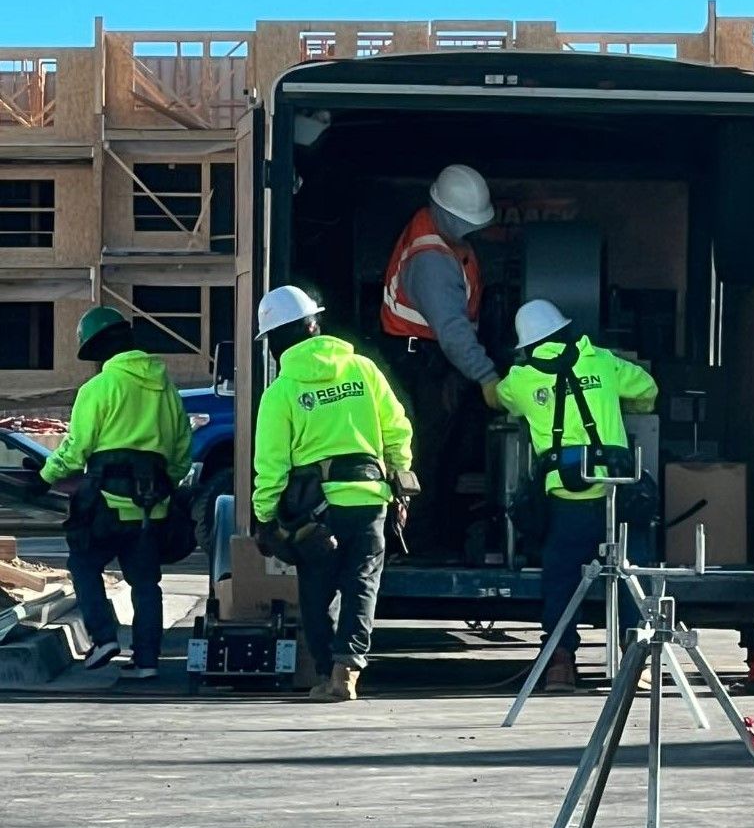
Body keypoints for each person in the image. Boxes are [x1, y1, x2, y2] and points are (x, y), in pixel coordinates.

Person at [253, 285, 413, 702]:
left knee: (316, 590)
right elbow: (397, 428)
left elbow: (271, 466)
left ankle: (328, 672)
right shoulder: (363, 370)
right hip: (369, 497)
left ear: (274, 340)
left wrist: (266, 517)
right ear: (314, 324)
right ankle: (348, 670)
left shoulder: (281, 392)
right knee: (362, 584)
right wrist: (400, 479)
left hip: (315, 511)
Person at [495, 298, 659, 693]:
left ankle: (560, 665)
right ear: (564, 330)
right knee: (631, 572)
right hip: (617, 493)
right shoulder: (602, 360)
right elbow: (648, 390)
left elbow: (498, 400)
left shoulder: (520, 379)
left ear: (527, 344)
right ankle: (639, 662)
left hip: (566, 498)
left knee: (561, 578)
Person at [36, 305, 192, 680]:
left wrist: (45, 477)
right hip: (149, 510)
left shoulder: (99, 389)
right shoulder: (166, 389)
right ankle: (147, 661)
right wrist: (162, 484)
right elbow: (182, 449)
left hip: (105, 505)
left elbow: (76, 449)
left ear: (99, 349)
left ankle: (104, 638)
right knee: (145, 582)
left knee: (84, 565)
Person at [380, 164, 501, 554]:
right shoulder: (432, 259)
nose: (473, 230)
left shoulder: (439, 235)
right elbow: (451, 330)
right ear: (447, 213)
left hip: (427, 363)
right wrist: (486, 376)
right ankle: (420, 546)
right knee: (427, 460)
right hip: (423, 367)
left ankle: (427, 537)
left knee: (437, 457)